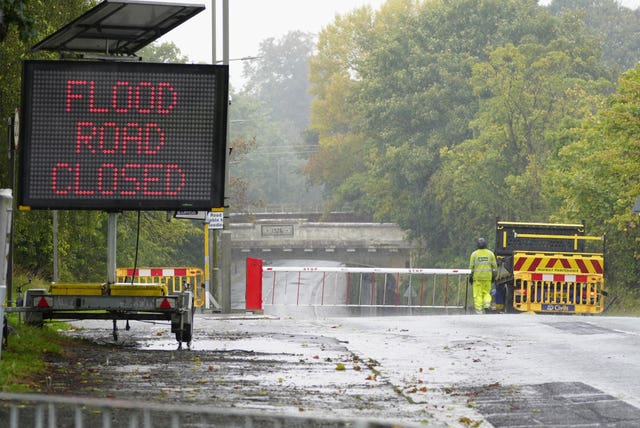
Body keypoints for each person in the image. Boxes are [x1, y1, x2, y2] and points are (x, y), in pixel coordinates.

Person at [469, 237, 497, 314]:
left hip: (477, 278)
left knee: (477, 294)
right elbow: (494, 268)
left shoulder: (474, 254)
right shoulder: (490, 254)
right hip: (488, 277)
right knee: (486, 293)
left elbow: (471, 268)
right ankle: (487, 306)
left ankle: (479, 311)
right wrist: (494, 276)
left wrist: (470, 277)